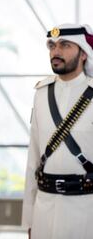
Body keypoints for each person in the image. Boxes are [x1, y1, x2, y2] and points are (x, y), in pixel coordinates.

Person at [22, 24, 93, 239]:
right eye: (52, 46)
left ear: (83, 54)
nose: (56, 52)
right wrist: (29, 220)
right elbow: (33, 159)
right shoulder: (41, 94)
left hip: (85, 212)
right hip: (44, 210)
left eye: (65, 45)